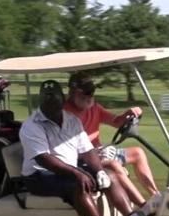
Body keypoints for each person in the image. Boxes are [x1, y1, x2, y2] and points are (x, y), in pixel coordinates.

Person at [19, 80, 149, 216]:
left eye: (56, 102)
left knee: (110, 175)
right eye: (47, 102)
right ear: (41, 102)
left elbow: (87, 150)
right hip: (38, 176)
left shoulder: (71, 120)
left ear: (62, 100)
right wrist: (77, 173)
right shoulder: (31, 126)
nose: (52, 107)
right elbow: (44, 159)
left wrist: (99, 171)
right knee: (79, 185)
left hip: (66, 169)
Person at [64, 73, 160, 207]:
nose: (89, 97)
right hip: (82, 160)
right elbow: (65, 148)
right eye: (85, 93)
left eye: (91, 92)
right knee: (114, 165)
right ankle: (144, 207)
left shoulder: (94, 107)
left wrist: (128, 114)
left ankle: (156, 197)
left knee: (137, 153)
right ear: (72, 92)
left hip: (101, 153)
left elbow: (116, 121)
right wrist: (96, 154)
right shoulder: (64, 114)